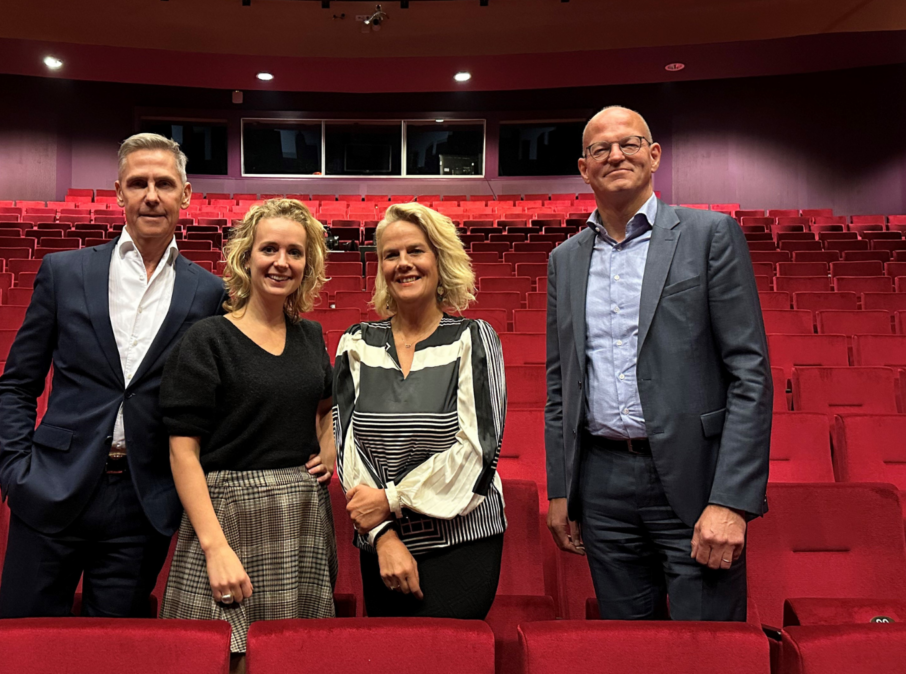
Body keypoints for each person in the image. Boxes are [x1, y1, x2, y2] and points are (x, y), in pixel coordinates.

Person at [543, 106, 773, 621]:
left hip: (694, 481)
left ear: (654, 155)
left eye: (629, 143)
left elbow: (749, 376)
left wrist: (732, 501)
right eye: (600, 148)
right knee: (628, 649)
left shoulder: (710, 235)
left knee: (709, 650)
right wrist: (562, 490)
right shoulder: (566, 259)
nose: (616, 155)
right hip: (602, 486)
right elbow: (562, 387)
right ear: (585, 168)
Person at [0, 133, 227, 619]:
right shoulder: (64, 271)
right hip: (51, 488)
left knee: (116, 654)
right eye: (138, 183)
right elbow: (19, 381)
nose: (151, 196)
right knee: (22, 644)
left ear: (185, 195)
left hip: (141, 503)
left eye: (164, 184)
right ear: (118, 192)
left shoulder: (208, 292)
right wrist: (16, 471)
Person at [160, 198, 337, 663]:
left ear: (308, 264)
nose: (281, 262)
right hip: (227, 515)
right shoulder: (208, 338)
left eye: (295, 253)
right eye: (269, 249)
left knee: (296, 658)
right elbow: (182, 452)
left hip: (301, 516)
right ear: (246, 257)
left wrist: (329, 442)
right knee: (226, 659)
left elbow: (326, 406)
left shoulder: (312, 336)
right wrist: (215, 547)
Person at [333, 202, 506, 619]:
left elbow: (477, 451)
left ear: (439, 259)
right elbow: (347, 451)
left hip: (462, 542)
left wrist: (391, 501)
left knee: (447, 657)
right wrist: (383, 535)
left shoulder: (474, 338)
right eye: (391, 255)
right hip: (381, 544)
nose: (403, 264)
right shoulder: (356, 343)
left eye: (415, 251)